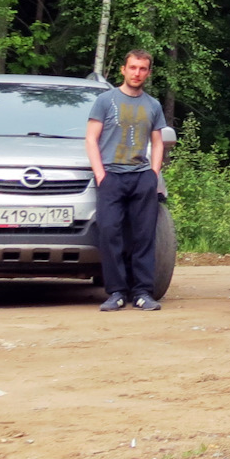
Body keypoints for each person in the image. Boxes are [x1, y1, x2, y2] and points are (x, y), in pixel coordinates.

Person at [85, 48, 168, 311]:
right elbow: (91, 138)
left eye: (142, 69)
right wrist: (101, 174)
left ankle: (143, 292)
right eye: (133, 67)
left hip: (141, 177)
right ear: (123, 69)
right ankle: (117, 292)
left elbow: (158, 142)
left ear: (148, 73)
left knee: (144, 235)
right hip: (111, 176)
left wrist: (153, 173)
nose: (137, 73)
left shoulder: (152, 105)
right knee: (110, 233)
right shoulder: (105, 100)